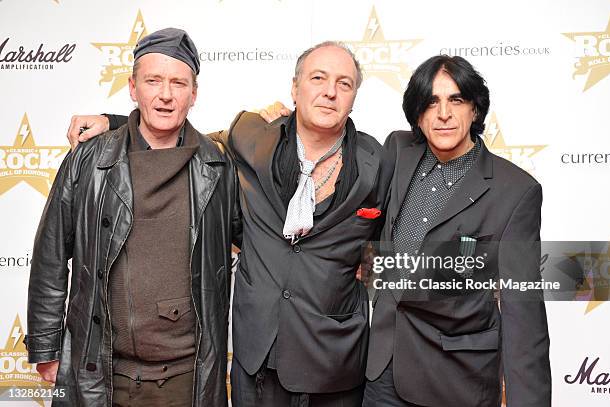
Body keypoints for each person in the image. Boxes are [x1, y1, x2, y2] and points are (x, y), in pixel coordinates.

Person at [66, 41, 394, 407]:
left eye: (344, 83)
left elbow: (386, 257)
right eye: (318, 78)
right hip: (256, 364)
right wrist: (115, 124)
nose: (330, 91)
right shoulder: (252, 135)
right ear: (294, 88)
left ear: (354, 96)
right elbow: (179, 142)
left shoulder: (377, 162)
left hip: (335, 364)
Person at [26, 28, 241, 407]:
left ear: (194, 93)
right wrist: (45, 345)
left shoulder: (219, 167)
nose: (165, 94)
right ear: (132, 86)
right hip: (102, 373)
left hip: (187, 378)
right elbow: (50, 256)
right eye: (153, 80)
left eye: (178, 83)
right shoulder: (89, 160)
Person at [364, 55, 551, 407]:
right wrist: (280, 123)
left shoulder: (515, 191)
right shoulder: (398, 152)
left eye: (456, 100)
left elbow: (522, 315)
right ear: (417, 114)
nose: (443, 114)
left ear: (475, 110)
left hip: (456, 380)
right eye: (431, 102)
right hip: (383, 373)